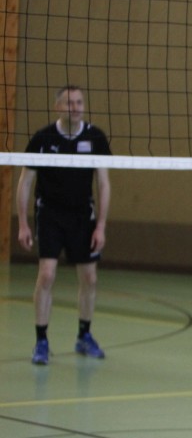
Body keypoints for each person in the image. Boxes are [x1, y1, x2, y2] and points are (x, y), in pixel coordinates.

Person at [16, 85, 112, 365]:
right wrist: (22, 223)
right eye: (70, 102)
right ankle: (41, 341)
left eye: (80, 102)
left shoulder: (95, 138)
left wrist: (101, 226)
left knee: (90, 278)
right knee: (46, 275)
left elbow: (103, 183)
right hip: (50, 215)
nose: (76, 107)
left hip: (83, 216)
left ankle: (84, 335)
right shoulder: (42, 138)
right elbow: (25, 182)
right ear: (58, 107)